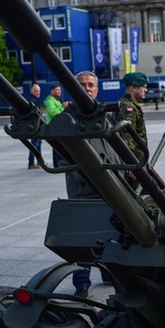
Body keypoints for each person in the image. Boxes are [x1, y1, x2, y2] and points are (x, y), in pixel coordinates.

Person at [65, 71, 115, 297]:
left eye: (91, 85)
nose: (86, 88)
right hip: (83, 188)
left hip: (110, 187)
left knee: (111, 233)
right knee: (82, 237)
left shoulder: (105, 114)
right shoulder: (67, 118)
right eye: (82, 84)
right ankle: (82, 285)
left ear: (97, 89)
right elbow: (63, 158)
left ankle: (109, 273)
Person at [114, 72, 148, 188]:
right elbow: (126, 138)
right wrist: (133, 165)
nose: (146, 90)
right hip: (133, 164)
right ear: (133, 88)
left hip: (137, 161)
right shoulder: (127, 107)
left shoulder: (129, 105)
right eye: (143, 87)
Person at [44, 82, 69, 168]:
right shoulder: (50, 101)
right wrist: (63, 107)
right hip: (54, 127)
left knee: (59, 146)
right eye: (57, 90)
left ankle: (58, 164)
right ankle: (58, 164)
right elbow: (53, 112)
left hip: (58, 126)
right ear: (52, 91)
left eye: (60, 90)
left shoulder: (56, 101)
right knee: (58, 147)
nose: (59, 92)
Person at [27, 84, 42, 169]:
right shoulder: (32, 101)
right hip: (35, 125)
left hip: (36, 125)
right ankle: (31, 163)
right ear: (31, 91)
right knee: (35, 144)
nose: (37, 93)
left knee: (38, 144)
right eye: (36, 91)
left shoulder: (34, 100)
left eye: (39, 91)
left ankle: (39, 162)